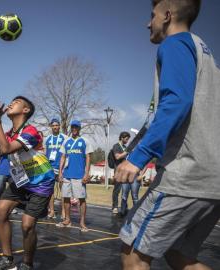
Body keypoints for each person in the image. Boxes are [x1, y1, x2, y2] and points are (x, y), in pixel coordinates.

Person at [115, 1, 220, 269]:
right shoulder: (205, 55)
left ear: (167, 15)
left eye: (152, 15)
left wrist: (139, 157)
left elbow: (176, 102)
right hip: (212, 179)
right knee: (179, 256)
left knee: (133, 254)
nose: (147, 23)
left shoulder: (175, 44)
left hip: (186, 175)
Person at [0, 96, 55, 270]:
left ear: (26, 110)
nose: (11, 103)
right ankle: (7, 259)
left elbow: (5, 149)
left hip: (41, 183)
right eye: (12, 101)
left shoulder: (31, 131)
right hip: (21, 181)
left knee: (27, 225)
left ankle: (27, 264)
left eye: (17, 102)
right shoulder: (7, 135)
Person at [56, 120, 93, 232]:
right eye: (72, 127)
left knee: (81, 199)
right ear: (71, 128)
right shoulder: (66, 141)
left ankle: (82, 222)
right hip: (66, 174)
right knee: (66, 198)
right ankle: (67, 220)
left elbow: (88, 158)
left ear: (79, 128)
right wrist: (60, 172)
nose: (74, 129)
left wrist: (86, 173)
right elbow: (62, 157)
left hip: (79, 175)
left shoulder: (85, 141)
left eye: (76, 127)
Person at [44, 118, 68, 219]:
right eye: (53, 125)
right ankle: (52, 211)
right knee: (50, 191)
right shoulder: (47, 138)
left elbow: (67, 153)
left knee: (63, 191)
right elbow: (45, 153)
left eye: (56, 125)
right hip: (50, 168)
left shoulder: (65, 137)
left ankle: (63, 211)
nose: (55, 127)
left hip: (62, 168)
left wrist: (66, 166)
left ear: (59, 126)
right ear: (51, 127)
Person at [111, 131, 131, 214]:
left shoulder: (124, 147)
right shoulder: (116, 146)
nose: (127, 141)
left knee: (125, 190)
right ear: (122, 137)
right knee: (117, 190)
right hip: (119, 172)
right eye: (126, 139)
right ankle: (115, 206)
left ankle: (124, 206)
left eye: (128, 139)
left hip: (126, 172)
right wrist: (126, 152)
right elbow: (117, 156)